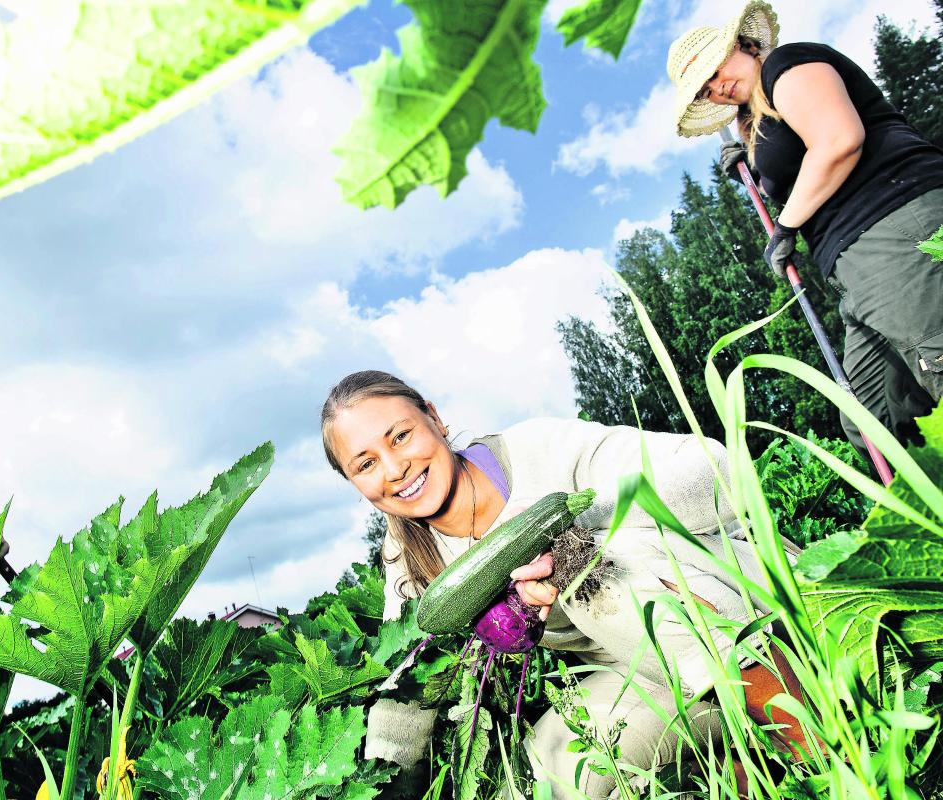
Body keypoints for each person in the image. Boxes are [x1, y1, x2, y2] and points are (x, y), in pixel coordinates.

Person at [320, 370, 805, 800]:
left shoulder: (540, 450)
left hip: (751, 620)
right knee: (553, 772)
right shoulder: (406, 557)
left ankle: (815, 738)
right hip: (652, 674)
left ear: (435, 418)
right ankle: (743, 769)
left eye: (400, 436)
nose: (394, 468)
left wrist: (573, 536)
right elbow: (410, 679)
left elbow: (717, 474)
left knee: (592, 575)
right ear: (353, 482)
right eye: (365, 464)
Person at [667, 0, 943, 449]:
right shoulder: (752, 118)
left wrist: (786, 226)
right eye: (704, 90)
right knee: (872, 427)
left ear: (742, 45)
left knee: (938, 356)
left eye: (714, 71)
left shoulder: (785, 65)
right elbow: (796, 170)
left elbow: (838, 140)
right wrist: (753, 171)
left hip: (894, 221)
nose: (717, 88)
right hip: (853, 267)